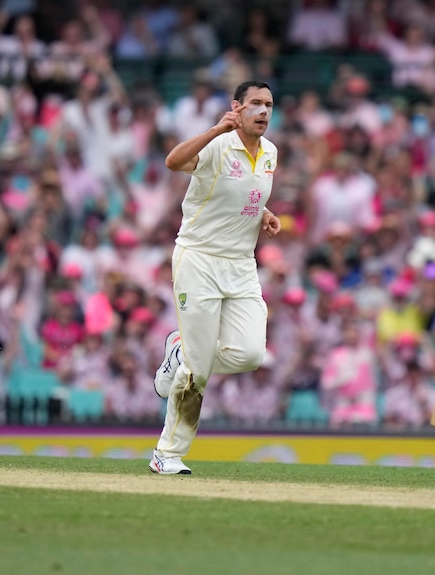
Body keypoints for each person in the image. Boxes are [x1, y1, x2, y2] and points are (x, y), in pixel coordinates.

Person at [149, 80, 282, 475]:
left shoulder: (271, 153)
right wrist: (215, 130)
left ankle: (180, 352)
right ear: (237, 107)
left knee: (250, 354)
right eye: (255, 104)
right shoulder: (219, 143)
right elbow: (173, 162)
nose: (263, 111)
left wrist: (265, 213)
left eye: (269, 105)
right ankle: (167, 454)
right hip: (199, 260)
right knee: (198, 369)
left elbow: (244, 194)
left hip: (241, 264)